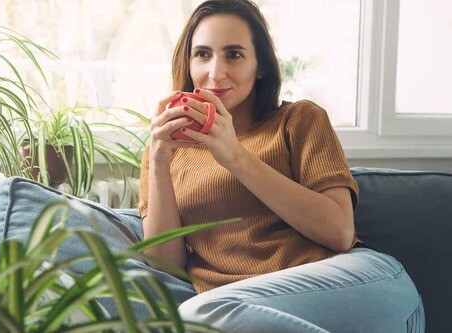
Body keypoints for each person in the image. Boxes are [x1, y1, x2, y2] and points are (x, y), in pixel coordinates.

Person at [136, 0, 425, 332]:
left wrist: (233, 155)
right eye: (202, 54)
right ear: (187, 63)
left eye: (234, 54)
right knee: (198, 318)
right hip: (243, 313)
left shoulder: (299, 120)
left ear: (259, 65)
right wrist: (158, 160)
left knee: (197, 318)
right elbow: (165, 266)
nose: (216, 73)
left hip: (361, 286)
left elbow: (340, 233)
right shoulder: (163, 153)